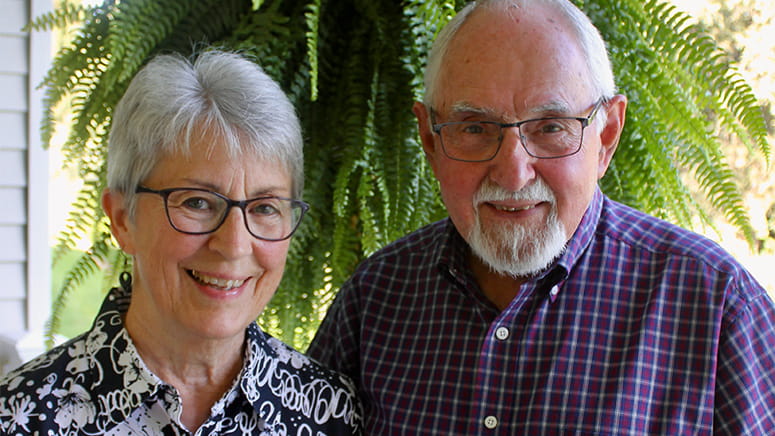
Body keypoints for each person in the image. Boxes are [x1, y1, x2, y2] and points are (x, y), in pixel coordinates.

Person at [307, 0, 775, 434]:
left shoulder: (717, 307)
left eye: (551, 127)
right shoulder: (373, 300)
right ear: (430, 140)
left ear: (607, 136)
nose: (513, 175)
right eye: (474, 128)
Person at [0, 50, 361, 435]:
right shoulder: (21, 417)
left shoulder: (331, 413)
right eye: (197, 202)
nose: (235, 244)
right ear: (122, 219)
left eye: (264, 207)